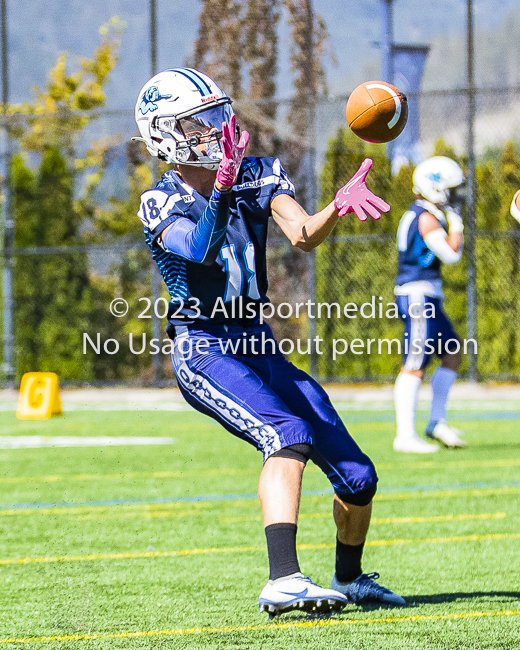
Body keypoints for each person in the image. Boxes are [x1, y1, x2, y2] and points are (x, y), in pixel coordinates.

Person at [134, 67, 405, 617]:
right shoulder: (159, 201)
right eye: (198, 122)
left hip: (257, 343)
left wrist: (336, 205)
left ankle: (350, 579)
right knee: (287, 433)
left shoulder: (257, 173)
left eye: (215, 115)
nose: (216, 129)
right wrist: (226, 186)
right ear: (164, 134)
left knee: (358, 477)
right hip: (203, 346)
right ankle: (283, 579)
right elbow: (201, 250)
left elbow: (302, 235)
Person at [393, 156, 466, 454]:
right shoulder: (425, 217)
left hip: (428, 296)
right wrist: (457, 225)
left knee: (452, 353)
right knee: (414, 364)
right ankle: (405, 435)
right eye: (449, 188)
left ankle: (436, 421)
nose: (454, 195)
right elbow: (451, 254)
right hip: (417, 297)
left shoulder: (424, 213)